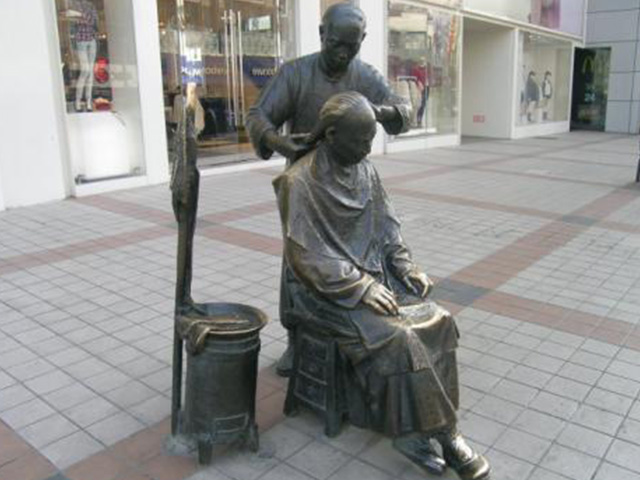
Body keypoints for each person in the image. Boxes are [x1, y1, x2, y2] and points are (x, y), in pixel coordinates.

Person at [273, 91, 490, 480]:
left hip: (377, 279)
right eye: (361, 141)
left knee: (440, 320)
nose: (368, 149)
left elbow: (388, 228)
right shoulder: (298, 181)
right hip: (326, 293)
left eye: (371, 139)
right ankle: (444, 434)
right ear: (332, 135)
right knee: (400, 337)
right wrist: (360, 286)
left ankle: (417, 427)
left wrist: (406, 266)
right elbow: (305, 257)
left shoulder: (366, 171)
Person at [246, 3, 412, 377]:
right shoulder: (296, 74)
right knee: (300, 257)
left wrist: (377, 112)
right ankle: (297, 340)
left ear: (362, 40)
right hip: (306, 179)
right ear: (323, 34)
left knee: (355, 251)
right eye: (337, 43)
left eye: (352, 46)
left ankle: (353, 331)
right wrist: (278, 141)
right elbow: (258, 116)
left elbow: (404, 109)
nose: (343, 53)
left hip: (349, 178)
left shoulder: (364, 75)